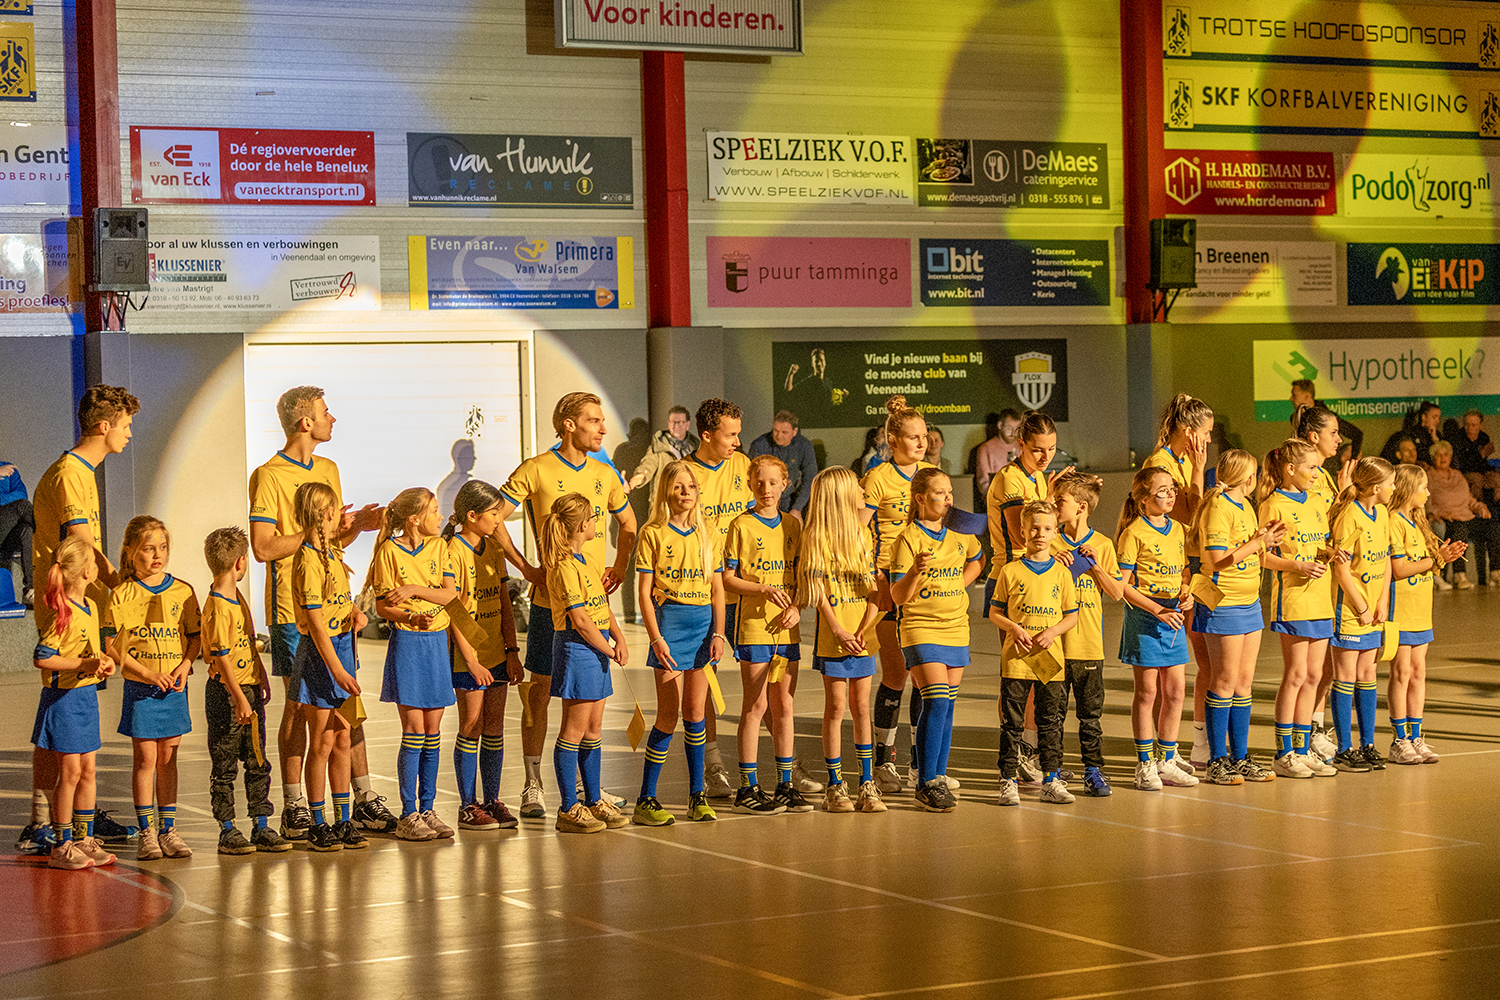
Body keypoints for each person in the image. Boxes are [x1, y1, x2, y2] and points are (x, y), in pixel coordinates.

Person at [248, 386, 389, 841]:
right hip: (293, 610)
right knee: (299, 709)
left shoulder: (329, 468)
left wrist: (355, 527)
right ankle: (296, 806)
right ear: (305, 421)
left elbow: (329, 539)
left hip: (335, 609)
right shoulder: (268, 475)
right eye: (326, 412)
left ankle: (360, 799)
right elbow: (263, 547)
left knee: (346, 707)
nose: (333, 419)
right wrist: (311, 534)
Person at [493, 392, 635, 818]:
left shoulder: (604, 473)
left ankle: (587, 789)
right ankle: (533, 783)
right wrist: (525, 568)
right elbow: (493, 518)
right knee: (539, 694)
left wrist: (620, 566)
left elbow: (629, 524)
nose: (603, 429)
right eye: (594, 421)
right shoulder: (536, 468)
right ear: (569, 424)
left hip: (593, 607)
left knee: (590, 706)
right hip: (549, 608)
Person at [20, 384, 138, 857]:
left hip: (82, 605)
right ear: (103, 426)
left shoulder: (83, 472)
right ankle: (45, 821)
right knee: (60, 715)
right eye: (125, 425)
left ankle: (68, 817)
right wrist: (121, 583)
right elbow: (82, 543)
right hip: (64, 606)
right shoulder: (70, 473)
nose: (129, 434)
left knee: (76, 731)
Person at [633, 461, 731, 824]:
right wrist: (656, 638)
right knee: (667, 715)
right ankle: (646, 799)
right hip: (669, 627)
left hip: (703, 628)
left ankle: (696, 795)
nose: (686, 492)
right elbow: (644, 594)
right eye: (678, 486)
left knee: (695, 713)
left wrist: (718, 633)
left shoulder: (710, 534)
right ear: (665, 492)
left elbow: (718, 590)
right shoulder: (653, 533)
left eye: (691, 486)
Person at [106, 515, 201, 860]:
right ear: (131, 552)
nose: (157, 555)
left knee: (168, 759)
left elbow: (194, 636)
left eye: (162, 547)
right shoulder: (122, 594)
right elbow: (111, 645)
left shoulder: (183, 590)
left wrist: (185, 665)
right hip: (142, 689)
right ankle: (146, 832)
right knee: (146, 758)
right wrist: (145, 673)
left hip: (173, 689)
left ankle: (169, 830)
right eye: (148, 548)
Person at [888, 468, 984, 812]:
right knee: (937, 700)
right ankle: (926, 782)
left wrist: (959, 583)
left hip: (956, 626)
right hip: (921, 627)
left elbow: (978, 560)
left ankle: (938, 778)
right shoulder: (907, 539)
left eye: (949, 492)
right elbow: (897, 596)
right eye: (940, 493)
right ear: (920, 498)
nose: (948, 498)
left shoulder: (960, 532)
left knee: (948, 705)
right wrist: (915, 571)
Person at [367, 488, 459, 841]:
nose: (440, 516)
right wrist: (409, 616)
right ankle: (408, 814)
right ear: (414, 518)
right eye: (434, 510)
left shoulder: (439, 547)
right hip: (408, 643)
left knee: (433, 731)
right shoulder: (389, 552)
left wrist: (415, 589)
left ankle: (428, 808)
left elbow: (449, 594)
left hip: (436, 642)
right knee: (414, 730)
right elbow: (382, 606)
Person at [1189, 450, 1285, 786]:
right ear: (1247, 477)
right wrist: (1258, 542)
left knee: (1244, 682)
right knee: (1224, 680)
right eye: (1254, 473)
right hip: (1223, 602)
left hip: (1249, 602)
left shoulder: (1246, 505)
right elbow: (1217, 559)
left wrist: (1267, 540)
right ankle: (1217, 760)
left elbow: (1249, 548)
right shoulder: (1218, 506)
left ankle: (1240, 757)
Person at [985, 410, 1070, 780]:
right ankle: (1017, 753)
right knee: (1017, 680)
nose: (1045, 456)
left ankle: (1034, 754)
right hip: (1012, 583)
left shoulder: (1038, 477)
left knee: (1042, 675)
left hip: (1040, 584)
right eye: (1037, 449)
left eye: (1051, 448)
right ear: (1020, 444)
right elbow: (1022, 535)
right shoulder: (1010, 479)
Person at [725, 454, 810, 816]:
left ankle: (785, 784)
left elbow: (803, 579)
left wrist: (797, 607)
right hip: (755, 628)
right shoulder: (741, 525)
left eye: (773, 482)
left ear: (784, 485)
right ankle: (747, 787)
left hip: (787, 631)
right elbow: (728, 579)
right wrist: (761, 589)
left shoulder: (793, 526)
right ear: (750, 484)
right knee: (756, 706)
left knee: (784, 706)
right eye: (759, 482)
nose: (766, 489)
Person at [797, 467, 885, 814]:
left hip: (862, 634)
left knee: (862, 707)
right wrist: (837, 628)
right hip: (834, 637)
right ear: (840, 496)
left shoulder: (863, 535)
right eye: (857, 488)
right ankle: (835, 785)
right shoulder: (816, 537)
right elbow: (816, 591)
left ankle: (867, 783)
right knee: (835, 708)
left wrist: (864, 627)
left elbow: (873, 588)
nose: (863, 493)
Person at [542, 493, 629, 835]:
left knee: (593, 730)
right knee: (573, 731)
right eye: (593, 518)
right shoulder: (563, 566)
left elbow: (601, 606)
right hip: (578, 649)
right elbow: (579, 618)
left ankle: (594, 800)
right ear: (581, 525)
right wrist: (608, 649)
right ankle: (568, 808)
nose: (596, 523)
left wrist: (619, 638)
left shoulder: (587, 559)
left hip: (598, 647)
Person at [201, 527, 292, 855]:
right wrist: (239, 696)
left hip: (249, 690)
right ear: (240, 562)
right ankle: (227, 829)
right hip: (226, 695)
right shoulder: (217, 606)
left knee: (257, 760)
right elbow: (221, 656)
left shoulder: (237, 598)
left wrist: (260, 676)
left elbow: (248, 641)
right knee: (225, 765)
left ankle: (261, 825)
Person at [861, 396, 935, 793]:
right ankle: (883, 759)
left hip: (928, 583)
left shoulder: (932, 475)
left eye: (924, 436)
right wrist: (873, 573)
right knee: (896, 673)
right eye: (913, 437)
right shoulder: (877, 478)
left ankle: (921, 763)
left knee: (926, 676)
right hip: (890, 581)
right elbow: (857, 530)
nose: (922, 443)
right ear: (893, 440)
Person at [32, 535, 117, 870]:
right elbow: (43, 657)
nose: (98, 568)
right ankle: (61, 844)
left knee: (88, 770)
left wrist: (103, 662)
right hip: (63, 700)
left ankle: (84, 838)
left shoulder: (92, 607)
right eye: (94, 562)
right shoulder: (61, 612)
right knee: (69, 773)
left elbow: (89, 652)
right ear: (85, 571)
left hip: (85, 698)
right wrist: (83, 664)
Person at [685, 399, 756, 798]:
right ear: (707, 435)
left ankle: (785, 765)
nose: (737, 441)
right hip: (703, 594)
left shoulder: (744, 466)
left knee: (763, 679)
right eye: (730, 435)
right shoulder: (684, 475)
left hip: (746, 590)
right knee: (704, 683)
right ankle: (712, 763)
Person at [443, 481, 523, 832]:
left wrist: (512, 650)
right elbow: (455, 610)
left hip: (497, 652)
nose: (499, 519)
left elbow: (504, 602)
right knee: (471, 726)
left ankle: (492, 799)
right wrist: (471, 661)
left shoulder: (494, 548)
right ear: (472, 515)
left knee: (494, 726)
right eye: (494, 513)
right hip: (468, 656)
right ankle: (467, 805)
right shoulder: (452, 551)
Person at [292, 484, 368, 852]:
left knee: (342, 737)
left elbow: (337, 600)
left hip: (343, 646)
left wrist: (354, 612)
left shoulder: (332, 553)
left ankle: (343, 818)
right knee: (321, 741)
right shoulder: (306, 559)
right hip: (322, 656)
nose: (340, 516)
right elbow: (315, 623)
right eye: (336, 510)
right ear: (325, 514)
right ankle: (317, 822)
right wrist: (336, 670)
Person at [1256, 440, 1339, 779]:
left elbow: (1319, 544)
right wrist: (1296, 565)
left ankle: (1303, 750)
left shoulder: (1317, 501)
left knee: (1315, 676)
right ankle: (1283, 753)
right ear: (1291, 469)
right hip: (1293, 598)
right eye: (1312, 467)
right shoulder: (1273, 504)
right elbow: (1262, 555)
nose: (1317, 474)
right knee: (1296, 674)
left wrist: (1331, 553)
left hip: (1321, 598)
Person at [1143, 393, 1216, 773]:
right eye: (1206, 432)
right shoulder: (1161, 464)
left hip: (1194, 566)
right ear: (1188, 431)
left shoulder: (1184, 460)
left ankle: (1198, 743)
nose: (1209, 440)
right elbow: (1192, 515)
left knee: (1205, 660)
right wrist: (1200, 473)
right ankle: (1160, 750)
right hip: (1172, 571)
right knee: (1169, 668)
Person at [989, 499, 1078, 806]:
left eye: (1047, 528)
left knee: (1050, 722)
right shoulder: (1010, 571)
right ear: (1023, 531)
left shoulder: (1062, 574)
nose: (1040, 534)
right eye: (1034, 528)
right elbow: (995, 612)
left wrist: (1053, 632)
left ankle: (1051, 780)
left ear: (1056, 532)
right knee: (1012, 723)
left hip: (1049, 661)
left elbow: (1071, 616)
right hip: (1017, 660)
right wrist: (1014, 628)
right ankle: (1008, 780)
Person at [1050, 472, 1133, 797]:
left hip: (1088, 646)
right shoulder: (1050, 542)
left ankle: (1093, 771)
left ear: (1081, 507)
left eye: (1061, 501)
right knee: (1052, 716)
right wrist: (1053, 565)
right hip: (1055, 645)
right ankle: (1051, 773)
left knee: (1090, 717)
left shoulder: (1103, 545)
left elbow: (1117, 592)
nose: (1055, 506)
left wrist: (1095, 566)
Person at [1115, 468, 1198, 791]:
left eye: (1172, 488)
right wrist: (1156, 609)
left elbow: (1185, 571)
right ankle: (1145, 763)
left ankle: (1167, 759)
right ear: (1143, 498)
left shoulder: (1177, 529)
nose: (1171, 494)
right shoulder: (1133, 533)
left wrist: (1186, 592)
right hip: (1147, 617)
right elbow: (1122, 586)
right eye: (1162, 490)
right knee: (1147, 692)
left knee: (1176, 691)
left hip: (1173, 616)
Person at [1386, 464, 1463, 766]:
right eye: (1424, 488)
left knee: (1418, 673)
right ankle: (1399, 740)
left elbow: (1426, 563)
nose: (1428, 493)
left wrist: (1444, 557)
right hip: (1401, 609)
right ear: (1408, 490)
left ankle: (1416, 736)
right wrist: (1435, 559)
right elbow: (1399, 569)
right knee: (1401, 673)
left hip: (1421, 609)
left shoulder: (1418, 522)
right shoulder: (1394, 522)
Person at [1327, 457, 1396, 773]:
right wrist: (1362, 606)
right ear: (1376, 487)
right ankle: (1344, 749)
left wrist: (1382, 600)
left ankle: (1367, 744)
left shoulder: (1382, 514)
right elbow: (1341, 570)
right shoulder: (1349, 516)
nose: (1394, 488)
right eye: (1391, 483)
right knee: (1345, 675)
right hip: (1350, 609)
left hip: (1373, 608)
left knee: (1368, 674)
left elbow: (1385, 560)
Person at [1427, 440, 1500, 588]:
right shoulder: (1429, 477)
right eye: (1439, 455)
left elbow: (1469, 499)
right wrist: (1437, 513)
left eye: (1446, 454)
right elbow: (1426, 501)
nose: (1443, 458)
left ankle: (1496, 573)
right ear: (1433, 458)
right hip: (1448, 519)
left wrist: (1480, 507)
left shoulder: (1457, 475)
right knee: (1459, 531)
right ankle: (1459, 576)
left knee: (1493, 527)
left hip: (1467, 516)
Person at [747, 410, 818, 516]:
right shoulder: (760, 444)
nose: (779, 435)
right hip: (763, 498)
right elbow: (750, 476)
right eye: (775, 431)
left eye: (784, 432)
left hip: (790, 499)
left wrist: (797, 508)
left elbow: (810, 478)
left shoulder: (804, 446)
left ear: (794, 432)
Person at [625, 405, 700, 498]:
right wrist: (640, 476)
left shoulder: (697, 447)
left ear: (687, 425)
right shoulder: (658, 446)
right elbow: (648, 464)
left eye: (680, 422)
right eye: (673, 422)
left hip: (690, 500)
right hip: (665, 502)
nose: (676, 426)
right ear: (668, 423)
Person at [1289, 379, 1362, 461]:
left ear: (1307, 396)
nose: (1291, 398)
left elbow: (1357, 434)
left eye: (1294, 395)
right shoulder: (1295, 418)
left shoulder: (1328, 417)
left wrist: (1353, 460)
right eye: (1333, 433)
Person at [1446, 409, 1500, 502]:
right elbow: (1461, 464)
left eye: (1473, 425)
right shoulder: (1458, 438)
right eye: (1467, 424)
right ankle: (1477, 508)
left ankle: (1496, 506)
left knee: (1497, 478)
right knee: (1477, 480)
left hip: (1482, 470)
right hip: (1465, 472)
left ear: (1481, 425)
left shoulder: (1483, 437)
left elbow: (1484, 461)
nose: (1469, 428)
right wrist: (1480, 455)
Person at [0, 459, 34, 604]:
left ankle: (30, 590)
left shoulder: (7, 467)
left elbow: (22, 494)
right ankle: (54, 539)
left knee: (26, 530)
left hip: (6, 532)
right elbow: (19, 501)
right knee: (22, 506)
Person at [783, 347, 841, 427]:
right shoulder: (807, 383)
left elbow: (831, 404)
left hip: (827, 425)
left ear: (825, 362)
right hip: (812, 425)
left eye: (821, 360)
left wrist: (843, 396)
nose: (819, 364)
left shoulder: (829, 383)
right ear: (812, 364)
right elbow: (789, 390)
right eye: (816, 361)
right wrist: (791, 374)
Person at [974, 408, 1022, 501]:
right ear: (1000, 425)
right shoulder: (985, 449)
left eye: (1016, 429)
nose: (1013, 433)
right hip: (997, 502)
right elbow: (984, 483)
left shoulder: (1022, 447)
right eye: (1009, 428)